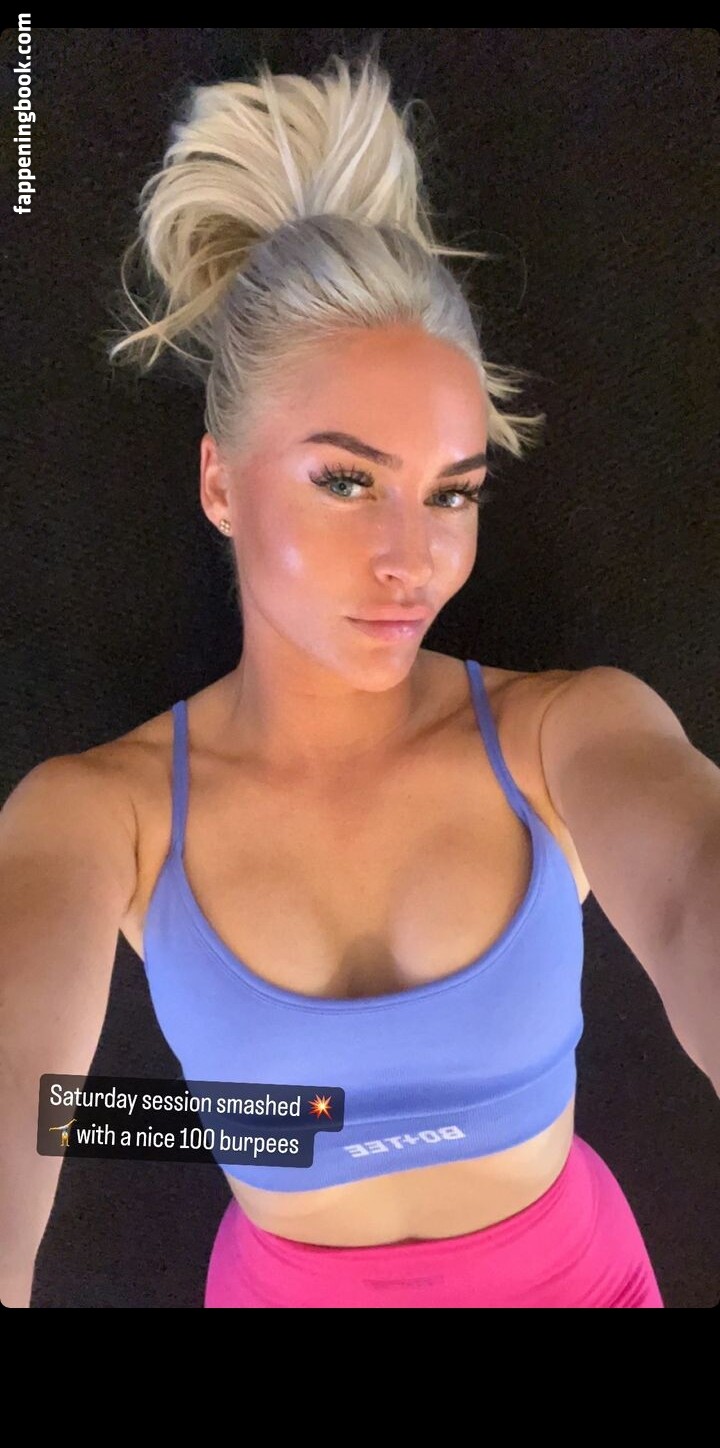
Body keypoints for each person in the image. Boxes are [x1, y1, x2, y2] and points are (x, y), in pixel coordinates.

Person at [1, 49, 666, 1308]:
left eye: (452, 493)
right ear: (219, 482)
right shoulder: (101, 815)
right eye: (347, 480)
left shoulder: (565, 736)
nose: (413, 557)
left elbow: (697, 891)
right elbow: (20, 1081)